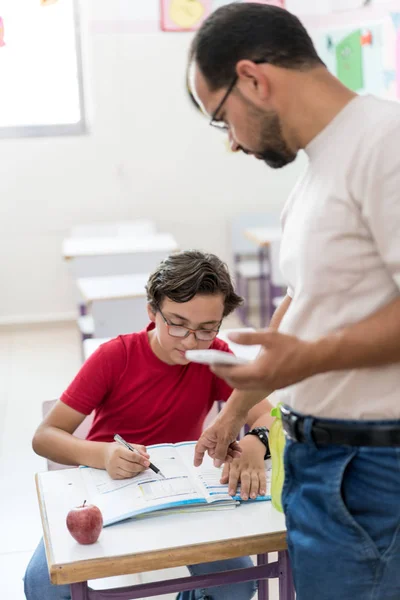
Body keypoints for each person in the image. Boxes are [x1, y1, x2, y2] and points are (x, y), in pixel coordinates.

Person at [188, 4, 400, 600]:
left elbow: (306, 347)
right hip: (319, 465)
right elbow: (303, 308)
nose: (231, 142)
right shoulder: (316, 175)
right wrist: (235, 410)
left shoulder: (385, 143)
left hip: (372, 470)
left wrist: (304, 362)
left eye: (221, 119)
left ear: (253, 79)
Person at [24, 249, 274, 600]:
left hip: (179, 491)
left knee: (237, 585)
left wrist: (254, 443)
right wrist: (104, 454)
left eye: (206, 329)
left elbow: (268, 414)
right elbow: (44, 437)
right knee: (43, 587)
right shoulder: (115, 357)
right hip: (103, 485)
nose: (190, 341)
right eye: (177, 323)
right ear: (151, 312)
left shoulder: (213, 356)